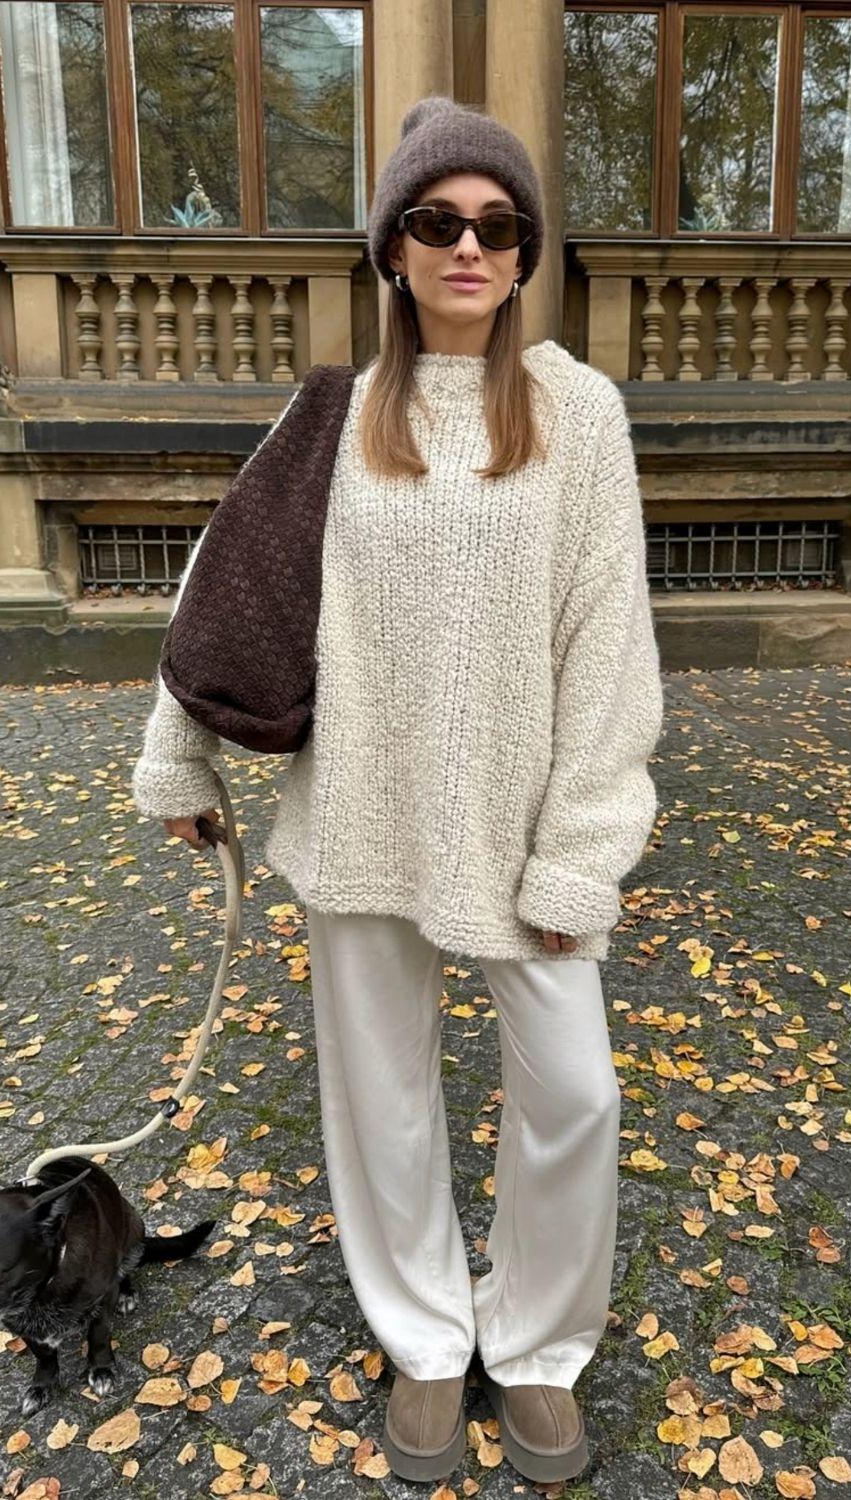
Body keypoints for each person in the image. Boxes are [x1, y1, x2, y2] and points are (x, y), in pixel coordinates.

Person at [131, 95, 663, 1486]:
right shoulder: (336, 415)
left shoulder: (581, 417)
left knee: (575, 1093)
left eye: (495, 223)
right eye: (436, 220)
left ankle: (536, 1344)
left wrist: (581, 851)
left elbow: (610, 649)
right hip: (360, 810)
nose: (466, 246)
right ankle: (427, 1336)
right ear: (394, 248)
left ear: (525, 249)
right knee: (382, 1097)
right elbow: (231, 583)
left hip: (522, 825)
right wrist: (178, 752)